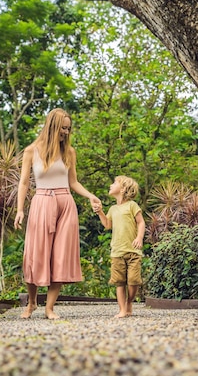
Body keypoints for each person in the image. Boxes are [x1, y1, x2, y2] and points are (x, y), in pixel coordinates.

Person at [14, 108, 101, 320]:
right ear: (52, 126)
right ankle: (32, 302)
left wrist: (90, 196)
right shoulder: (31, 151)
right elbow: (24, 182)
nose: (66, 132)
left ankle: (49, 308)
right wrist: (19, 210)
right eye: (63, 128)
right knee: (34, 255)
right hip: (42, 202)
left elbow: (73, 182)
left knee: (60, 257)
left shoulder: (69, 152)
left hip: (65, 204)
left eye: (68, 129)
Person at [93, 176, 145, 318]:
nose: (111, 185)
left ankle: (129, 302)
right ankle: (122, 310)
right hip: (117, 252)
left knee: (133, 281)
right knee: (119, 282)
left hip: (133, 251)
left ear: (122, 189)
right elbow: (107, 225)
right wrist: (100, 212)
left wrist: (139, 237)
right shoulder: (113, 209)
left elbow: (141, 223)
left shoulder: (132, 205)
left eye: (114, 183)